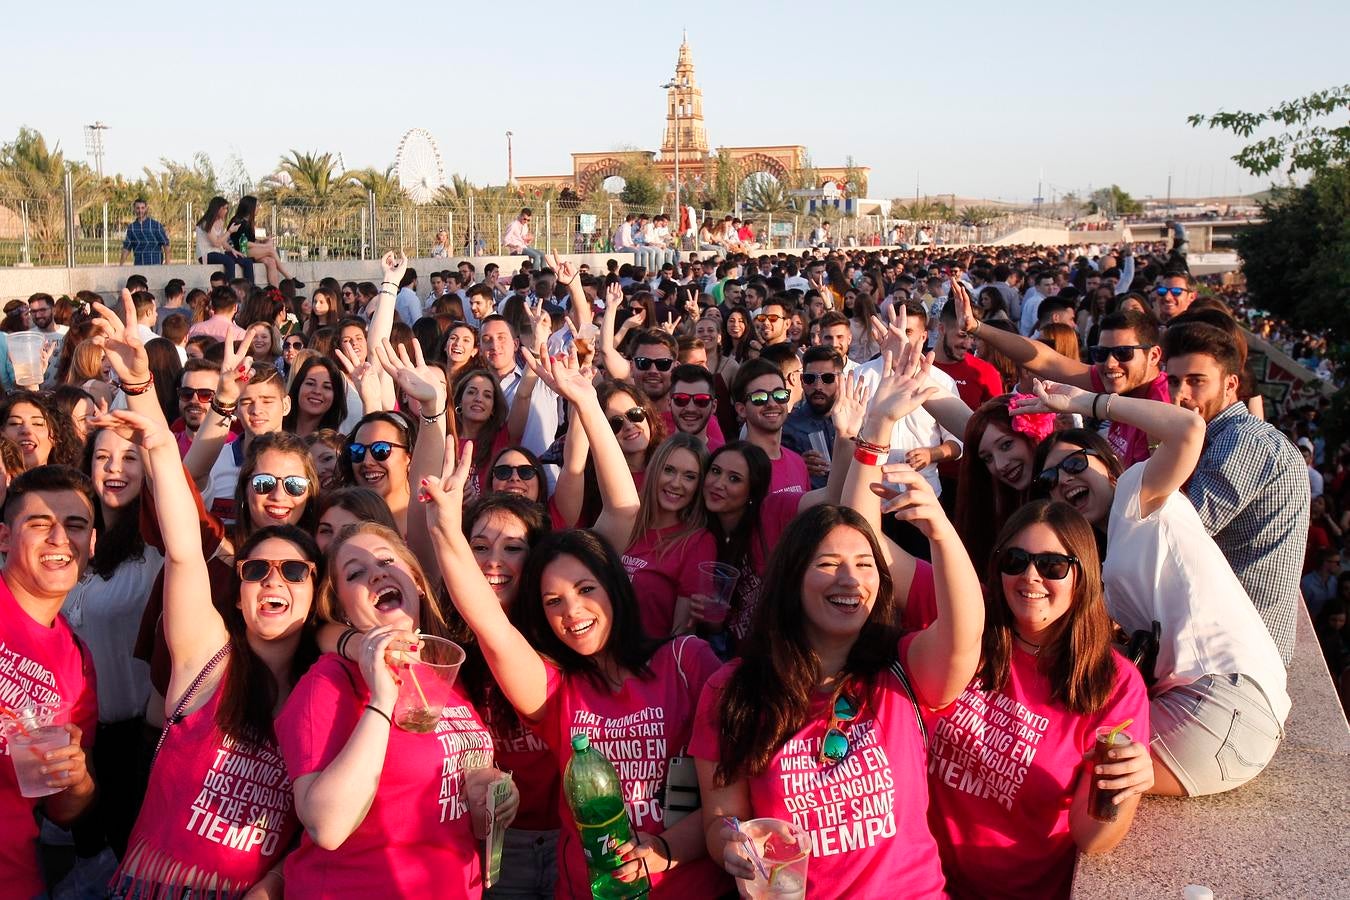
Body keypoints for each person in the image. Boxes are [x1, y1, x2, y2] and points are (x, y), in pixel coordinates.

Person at [425, 439, 728, 895]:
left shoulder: (686, 662)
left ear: (615, 587)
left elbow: (729, 796)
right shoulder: (556, 687)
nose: (572, 610)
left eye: (586, 589)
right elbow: (490, 626)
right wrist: (446, 528)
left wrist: (664, 848)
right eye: (553, 601)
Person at [691, 454, 982, 897]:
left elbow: (963, 634)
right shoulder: (731, 690)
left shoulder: (900, 668)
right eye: (828, 564)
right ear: (791, 578)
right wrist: (728, 843)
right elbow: (721, 818)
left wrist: (940, 533)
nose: (851, 580)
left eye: (865, 564)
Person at [1017, 379, 1289, 799]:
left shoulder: (1137, 492)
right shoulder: (1109, 556)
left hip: (1216, 707)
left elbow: (1188, 430)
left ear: (1108, 466)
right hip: (1230, 714)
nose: (1061, 482)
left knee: (1052, 759)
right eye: (1048, 481)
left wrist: (1091, 403)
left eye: (1074, 465)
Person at [921, 499, 1153, 898]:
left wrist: (1125, 787)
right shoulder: (965, 628)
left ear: (1082, 574)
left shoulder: (1114, 684)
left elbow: (1091, 838)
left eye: (1052, 566)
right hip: (923, 884)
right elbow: (869, 549)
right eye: (1015, 560)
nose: (1030, 576)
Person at [276, 517, 515, 898]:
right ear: (342, 611)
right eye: (355, 574)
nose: (375, 574)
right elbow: (327, 827)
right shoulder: (330, 682)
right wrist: (381, 700)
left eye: (387, 562)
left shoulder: (443, 674)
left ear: (418, 582)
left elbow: (449, 790)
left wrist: (494, 793)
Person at [1162, 322, 1309, 665]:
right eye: (1173, 381)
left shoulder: (1241, 441)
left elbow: (1176, 533)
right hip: (1231, 642)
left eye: (1196, 381)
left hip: (1239, 658)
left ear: (1231, 385)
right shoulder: (1221, 437)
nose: (1180, 394)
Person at [0, 466, 99, 899]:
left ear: (90, 544)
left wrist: (76, 779)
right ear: (4, 538)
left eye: (75, 525)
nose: (60, 538)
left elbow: (64, 810)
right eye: (40, 524)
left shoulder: (77, 660)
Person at [955, 280, 1168, 467]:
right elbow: (1046, 359)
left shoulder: (1167, 401)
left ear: (1154, 356)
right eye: (1101, 353)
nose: (1111, 363)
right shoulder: (1119, 381)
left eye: (1123, 353)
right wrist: (976, 327)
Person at [620, 433, 717, 638]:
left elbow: (681, 635)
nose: (676, 483)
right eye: (669, 470)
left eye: (690, 476)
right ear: (654, 471)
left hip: (648, 662)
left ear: (699, 485)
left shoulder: (699, 542)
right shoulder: (625, 521)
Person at [229, 196, 300, 287]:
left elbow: (252, 240)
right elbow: (244, 243)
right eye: (257, 205)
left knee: (271, 261)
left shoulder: (249, 222)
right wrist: (265, 246)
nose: (259, 208)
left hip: (250, 250)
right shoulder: (238, 221)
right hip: (241, 251)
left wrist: (263, 241)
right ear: (250, 207)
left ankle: (275, 292)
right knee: (270, 250)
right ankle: (289, 278)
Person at [195, 196, 255, 282]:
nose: (226, 211)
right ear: (218, 208)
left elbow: (222, 241)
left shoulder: (220, 221)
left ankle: (250, 289)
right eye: (225, 208)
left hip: (219, 252)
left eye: (227, 208)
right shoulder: (205, 223)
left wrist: (232, 250)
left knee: (247, 261)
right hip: (206, 254)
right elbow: (215, 243)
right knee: (229, 261)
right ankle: (229, 289)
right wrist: (230, 231)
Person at [120, 197, 171, 266]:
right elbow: (127, 248)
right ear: (134, 209)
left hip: (155, 265)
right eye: (138, 208)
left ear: (146, 208)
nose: (140, 211)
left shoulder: (155, 225)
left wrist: (167, 262)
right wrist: (121, 265)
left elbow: (166, 244)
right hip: (139, 265)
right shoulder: (132, 228)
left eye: (142, 208)